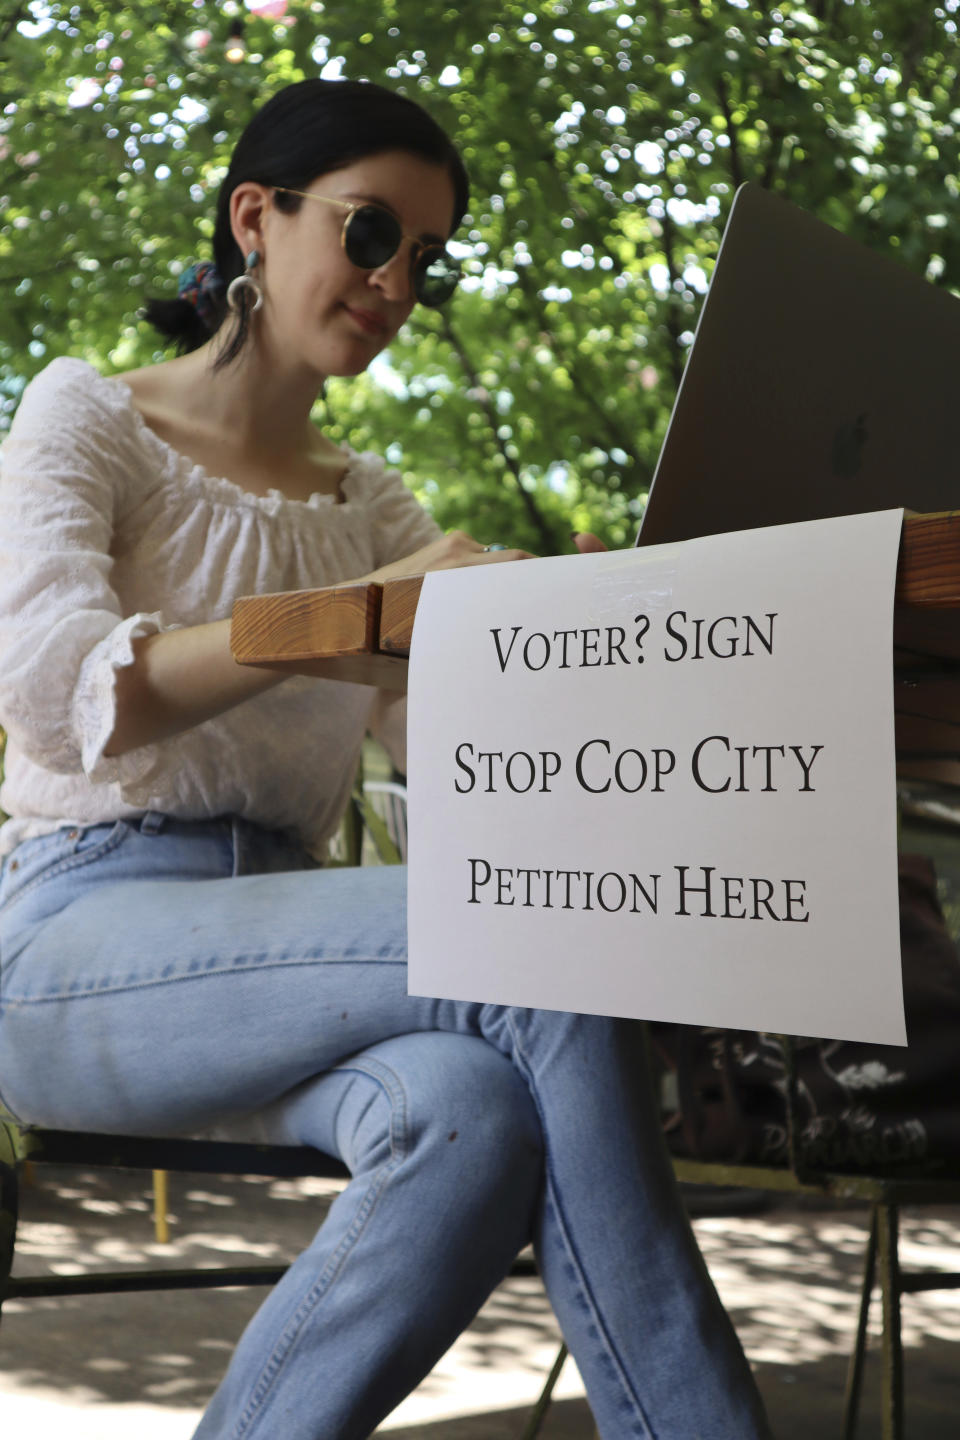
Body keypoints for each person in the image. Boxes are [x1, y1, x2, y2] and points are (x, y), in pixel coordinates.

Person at [0, 78, 772, 1439]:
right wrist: (351, 618)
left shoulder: (376, 507)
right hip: (72, 941)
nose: (396, 281)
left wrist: (599, 650)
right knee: (538, 945)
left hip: (297, 963)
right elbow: (67, 696)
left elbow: (461, 770)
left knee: (471, 1120)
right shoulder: (89, 416)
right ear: (257, 217)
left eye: (426, 259)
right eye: (370, 234)